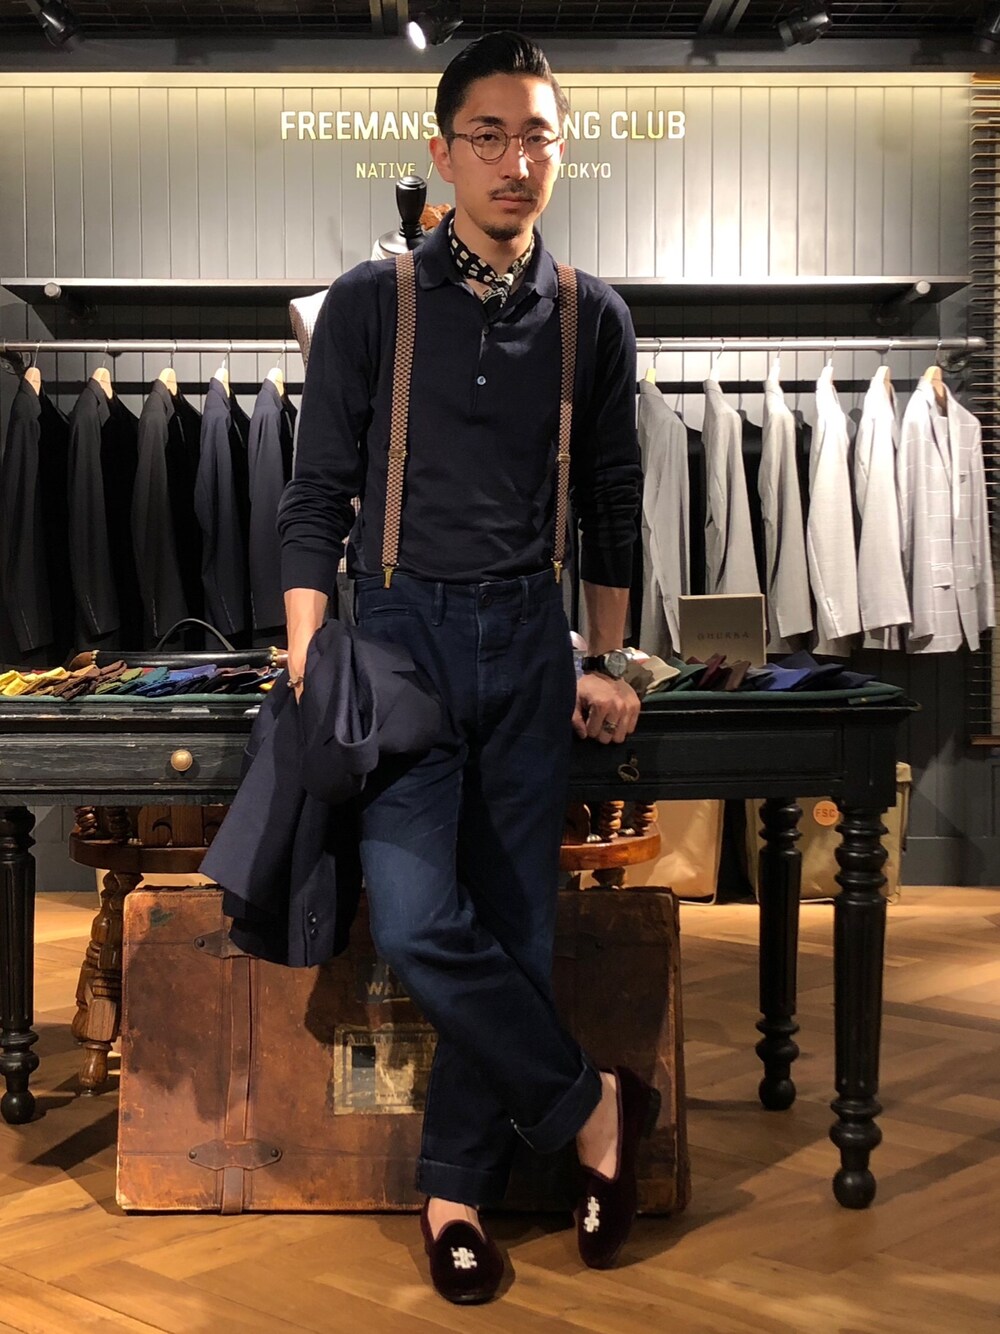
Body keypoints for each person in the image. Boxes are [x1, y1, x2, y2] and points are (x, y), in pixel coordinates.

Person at [278, 30, 653, 1304]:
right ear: (442, 154)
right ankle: (592, 1102)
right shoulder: (371, 302)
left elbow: (611, 504)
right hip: (398, 641)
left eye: (535, 135)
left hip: (530, 638)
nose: (513, 159)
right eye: (487, 135)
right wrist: (310, 649)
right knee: (416, 918)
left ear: (561, 151)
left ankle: (455, 1192)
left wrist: (609, 656)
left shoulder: (590, 314)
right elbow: (314, 495)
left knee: (516, 927)